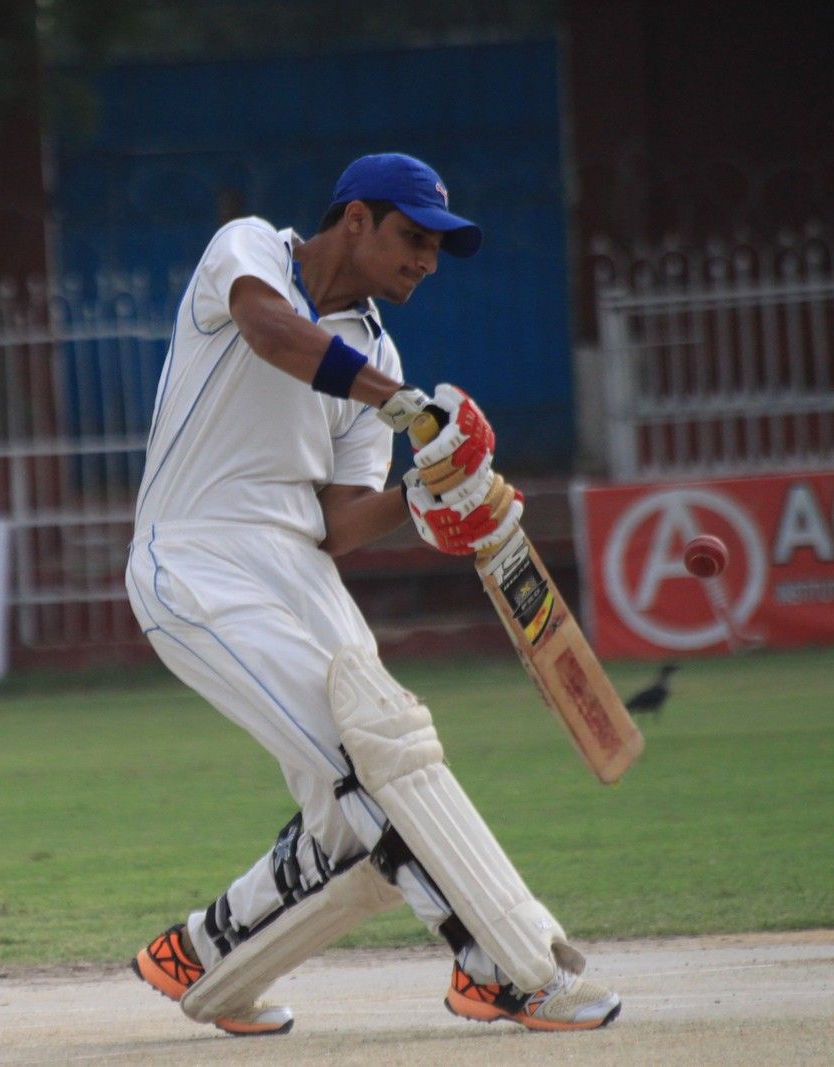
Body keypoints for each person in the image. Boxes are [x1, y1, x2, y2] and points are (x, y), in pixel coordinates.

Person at [125, 153, 622, 1037]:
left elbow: (337, 523)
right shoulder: (250, 249)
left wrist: (425, 489)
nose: (426, 260)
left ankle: (205, 950)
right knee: (367, 767)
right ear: (354, 218)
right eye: (413, 238)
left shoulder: (377, 353)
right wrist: (412, 411)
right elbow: (273, 333)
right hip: (194, 558)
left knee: (378, 777)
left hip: (297, 568)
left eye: (437, 248)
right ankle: (504, 968)